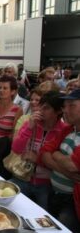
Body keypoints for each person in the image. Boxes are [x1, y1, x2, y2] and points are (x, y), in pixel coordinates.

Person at [10, 91, 67, 210]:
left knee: (44, 217)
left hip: (46, 184)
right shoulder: (31, 123)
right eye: (41, 105)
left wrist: (37, 159)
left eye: (46, 108)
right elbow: (16, 149)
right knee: (9, 205)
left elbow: (61, 164)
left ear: (58, 111)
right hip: (22, 177)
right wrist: (29, 128)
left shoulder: (64, 131)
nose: (40, 110)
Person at [40, 89, 80, 231]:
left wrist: (55, 153)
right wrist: (59, 157)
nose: (65, 111)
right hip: (55, 193)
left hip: (72, 202)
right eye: (64, 106)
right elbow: (45, 152)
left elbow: (73, 165)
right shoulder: (68, 130)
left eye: (71, 106)